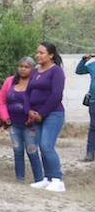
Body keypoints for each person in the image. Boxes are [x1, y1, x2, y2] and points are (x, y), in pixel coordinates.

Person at [0, 57, 44, 183]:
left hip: (30, 124)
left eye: (26, 67)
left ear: (33, 69)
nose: (23, 69)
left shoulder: (36, 83)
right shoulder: (10, 81)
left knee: (32, 151)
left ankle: (39, 180)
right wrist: (5, 118)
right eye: (21, 66)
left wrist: (32, 117)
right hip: (13, 123)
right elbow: (1, 101)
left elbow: (39, 103)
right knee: (17, 151)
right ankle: (20, 179)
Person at [26, 42, 66, 192]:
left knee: (47, 145)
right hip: (36, 115)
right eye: (37, 52)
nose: (38, 55)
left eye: (42, 53)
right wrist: (29, 110)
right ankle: (47, 178)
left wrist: (41, 113)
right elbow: (28, 92)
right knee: (41, 147)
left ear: (50, 55)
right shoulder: (36, 71)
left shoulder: (56, 72)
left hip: (53, 114)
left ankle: (57, 179)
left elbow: (56, 95)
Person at [75, 53, 95, 162]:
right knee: (93, 127)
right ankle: (90, 154)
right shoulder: (92, 64)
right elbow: (79, 71)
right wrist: (83, 60)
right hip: (94, 100)